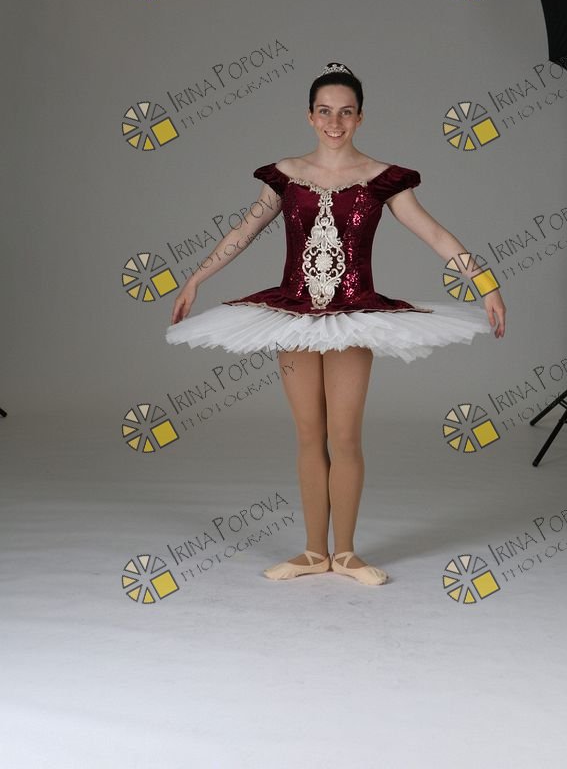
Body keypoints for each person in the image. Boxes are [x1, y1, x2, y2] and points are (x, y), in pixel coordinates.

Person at [166, 62, 506, 586]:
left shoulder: (381, 178)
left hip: (353, 317)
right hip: (292, 315)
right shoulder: (285, 174)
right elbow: (243, 232)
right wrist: (196, 278)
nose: (334, 121)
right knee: (309, 435)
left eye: (346, 112)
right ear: (309, 116)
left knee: (344, 436)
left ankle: (345, 553)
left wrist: (485, 283)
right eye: (325, 111)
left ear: (360, 118)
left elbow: (435, 234)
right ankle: (312, 552)